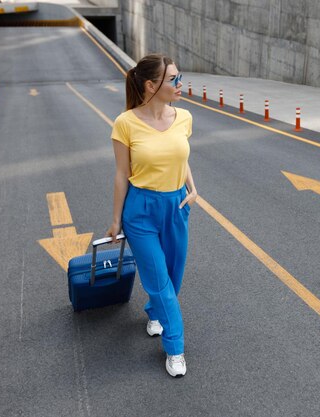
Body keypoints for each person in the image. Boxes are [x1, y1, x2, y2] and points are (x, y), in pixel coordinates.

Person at [106, 54, 196, 377]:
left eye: (178, 76)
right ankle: (175, 348)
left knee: (174, 275)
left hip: (176, 206)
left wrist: (192, 188)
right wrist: (116, 220)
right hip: (140, 211)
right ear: (151, 85)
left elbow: (179, 157)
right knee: (159, 280)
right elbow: (121, 175)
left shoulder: (183, 118)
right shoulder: (126, 123)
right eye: (173, 79)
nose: (179, 83)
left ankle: (154, 312)